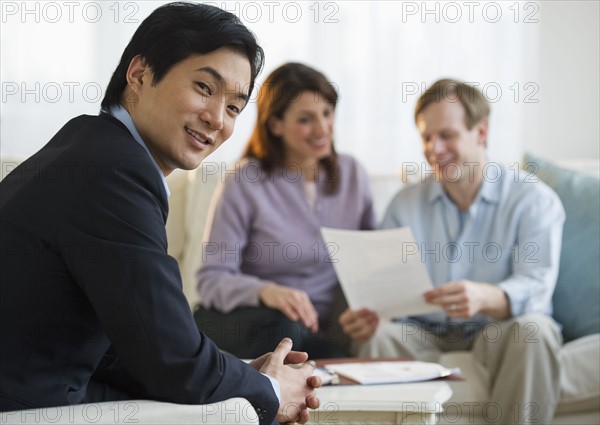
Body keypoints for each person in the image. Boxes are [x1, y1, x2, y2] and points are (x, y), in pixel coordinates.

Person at [0, 3, 321, 424]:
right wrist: (272, 392)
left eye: (233, 108)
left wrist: (243, 376)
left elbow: (132, 347)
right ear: (139, 74)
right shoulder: (114, 171)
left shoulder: (89, 144)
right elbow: (173, 358)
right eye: (205, 88)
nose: (216, 119)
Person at [339, 79, 565, 424]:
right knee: (378, 336)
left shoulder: (533, 200)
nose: (434, 149)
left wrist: (486, 296)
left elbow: (537, 285)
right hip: (422, 334)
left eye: (447, 135)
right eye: (427, 138)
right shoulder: (404, 204)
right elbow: (383, 290)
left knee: (537, 329)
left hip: (496, 333)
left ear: (481, 132)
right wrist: (368, 315)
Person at [194, 63, 376, 359]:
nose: (322, 129)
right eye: (306, 119)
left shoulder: (352, 174)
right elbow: (211, 280)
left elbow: (372, 263)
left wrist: (367, 311)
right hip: (262, 323)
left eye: (327, 114)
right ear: (275, 124)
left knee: (337, 340)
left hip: (325, 330)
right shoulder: (245, 180)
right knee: (285, 330)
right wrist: (267, 292)